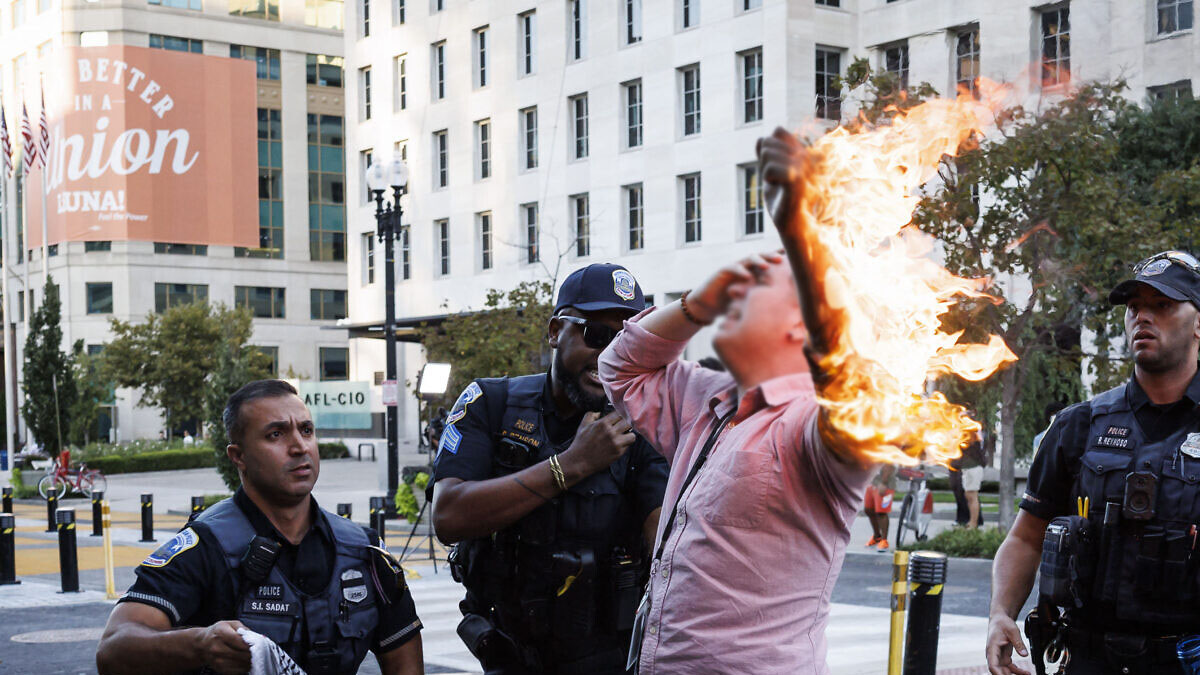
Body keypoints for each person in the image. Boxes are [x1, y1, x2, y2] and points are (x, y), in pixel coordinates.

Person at [597, 128, 874, 674]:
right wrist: (694, 306)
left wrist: (798, 231)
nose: (738, 296)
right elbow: (619, 369)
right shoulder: (708, 397)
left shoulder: (809, 426)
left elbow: (852, 401)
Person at [429, 263, 669, 675]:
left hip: (607, 659)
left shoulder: (643, 425)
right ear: (557, 331)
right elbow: (449, 516)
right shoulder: (490, 402)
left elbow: (667, 543)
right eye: (598, 335)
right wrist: (571, 465)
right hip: (508, 653)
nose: (612, 355)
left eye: (629, 341)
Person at [96, 380, 424, 675]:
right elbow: (113, 649)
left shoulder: (363, 551)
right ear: (238, 456)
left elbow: (406, 665)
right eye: (276, 434)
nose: (299, 447)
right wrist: (200, 644)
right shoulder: (206, 546)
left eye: (307, 430)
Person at [986, 250, 1200, 675]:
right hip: (1089, 657)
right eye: (1135, 306)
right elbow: (1027, 536)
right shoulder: (1077, 426)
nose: (1143, 316)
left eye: (1163, 305)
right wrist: (999, 612)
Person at [864, 465, 897, 550]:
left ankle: (884, 540)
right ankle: (877, 536)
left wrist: (884, 483)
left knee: (881, 512)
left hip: (886, 485)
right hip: (873, 483)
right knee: (868, 510)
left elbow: (890, 466)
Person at [960, 432, 985, 530]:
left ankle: (974, 523)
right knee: (968, 495)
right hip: (968, 469)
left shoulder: (972, 436)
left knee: (972, 495)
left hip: (973, 469)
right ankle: (971, 521)